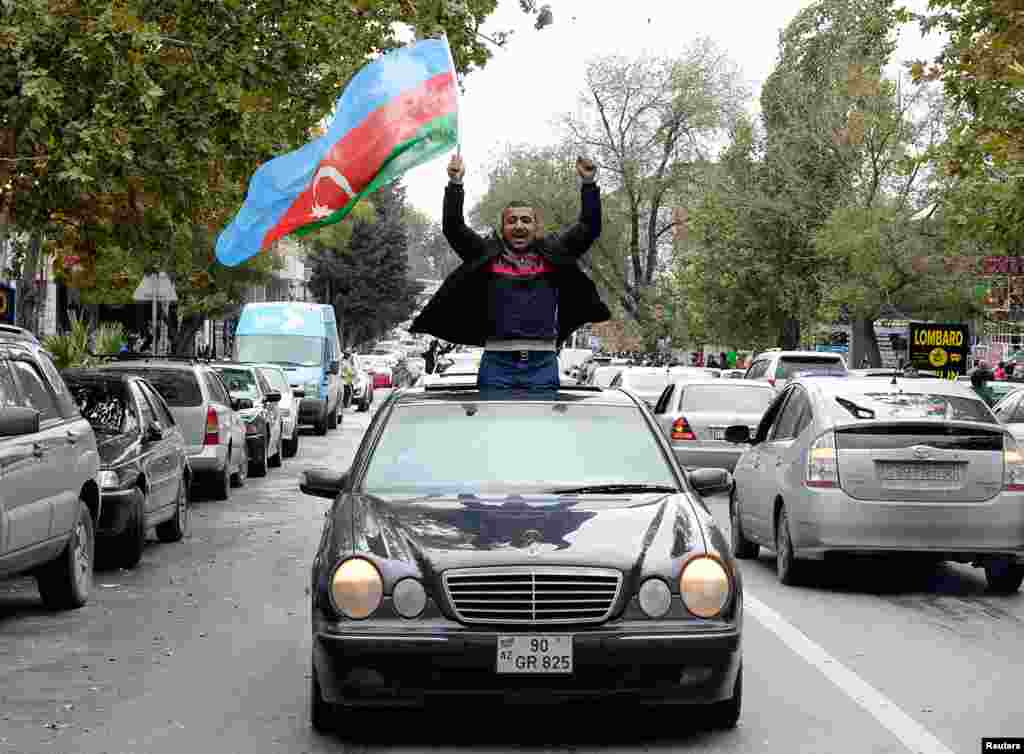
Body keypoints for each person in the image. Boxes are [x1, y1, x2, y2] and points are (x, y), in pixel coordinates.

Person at [411, 152, 610, 395]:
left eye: (526, 220)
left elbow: (589, 227)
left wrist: (589, 184)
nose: (518, 225)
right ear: (503, 228)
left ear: (536, 227)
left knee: (543, 430)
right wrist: (455, 184)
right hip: (497, 364)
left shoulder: (555, 253)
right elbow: (454, 227)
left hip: (543, 364)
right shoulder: (485, 254)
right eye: (512, 221)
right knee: (495, 429)